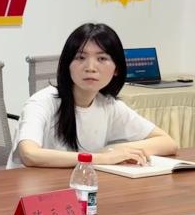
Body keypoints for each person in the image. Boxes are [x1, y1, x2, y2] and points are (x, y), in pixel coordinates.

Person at [10, 23, 177, 168]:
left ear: (116, 69)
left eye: (102, 58)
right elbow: (29, 154)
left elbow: (167, 143)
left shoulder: (109, 105)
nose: (90, 67)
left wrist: (115, 150)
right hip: (32, 189)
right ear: (67, 65)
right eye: (80, 57)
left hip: (79, 184)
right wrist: (101, 158)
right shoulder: (42, 102)